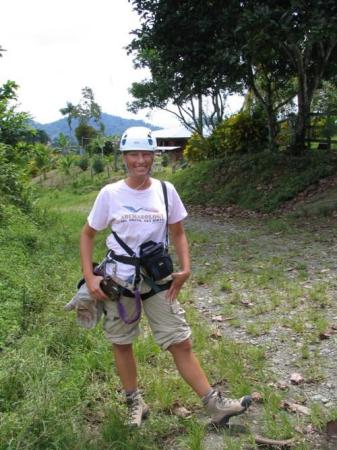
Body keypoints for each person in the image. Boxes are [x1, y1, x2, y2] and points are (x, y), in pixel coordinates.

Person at [79, 126, 252, 427]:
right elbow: (87, 234)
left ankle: (215, 405)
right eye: (134, 153)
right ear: (124, 157)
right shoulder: (110, 194)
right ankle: (135, 402)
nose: (140, 160)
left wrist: (185, 269)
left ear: (154, 156)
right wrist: (90, 278)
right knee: (122, 342)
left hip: (157, 279)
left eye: (146, 153)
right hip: (120, 281)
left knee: (180, 340)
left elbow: (179, 232)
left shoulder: (165, 190)